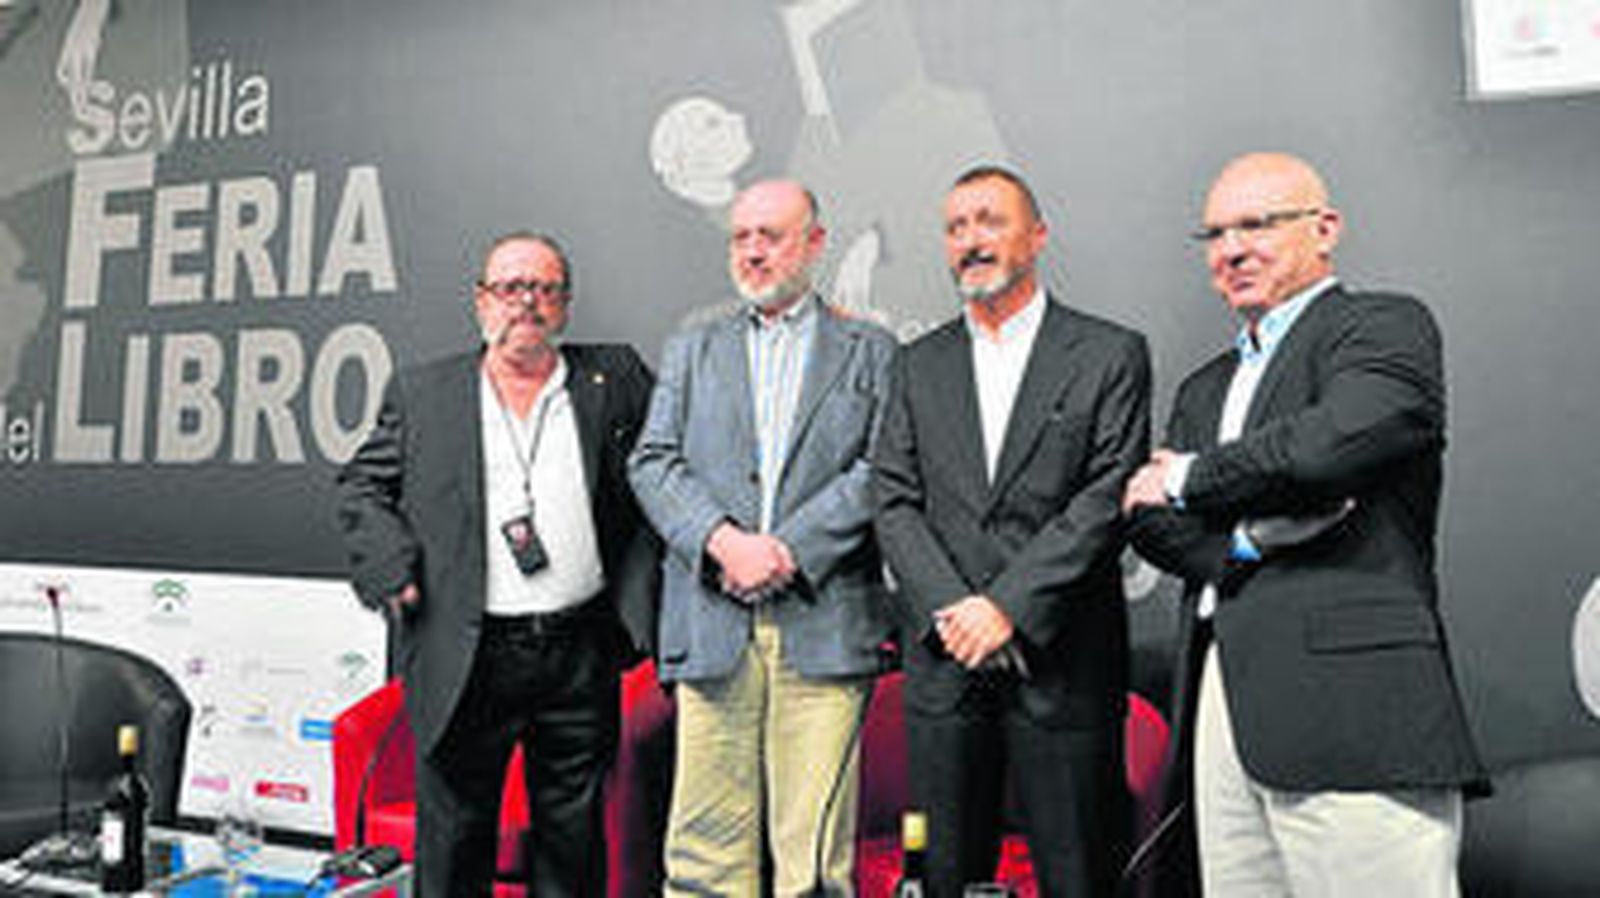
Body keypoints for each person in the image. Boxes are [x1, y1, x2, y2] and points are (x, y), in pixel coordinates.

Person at [1122, 152, 1488, 897]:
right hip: (1224, 697)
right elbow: (1148, 519)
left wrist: (1192, 477)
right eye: (1216, 234)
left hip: (1353, 705)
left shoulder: (1382, 327)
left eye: (1257, 224)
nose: (1232, 249)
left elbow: (1331, 447)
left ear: (1325, 229)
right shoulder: (1203, 386)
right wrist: (1248, 540)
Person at [336, 232, 657, 897]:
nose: (527, 304)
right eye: (511, 288)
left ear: (565, 305)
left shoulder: (615, 378)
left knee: (572, 847)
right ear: (481, 301)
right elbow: (362, 487)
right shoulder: (424, 392)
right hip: (467, 650)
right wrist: (393, 567)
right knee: (453, 846)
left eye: (543, 289)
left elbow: (669, 467)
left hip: (580, 649)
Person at [873, 165, 1150, 897]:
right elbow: (892, 500)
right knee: (944, 879)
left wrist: (1006, 610)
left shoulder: (1109, 353)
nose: (972, 240)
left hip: (1062, 661)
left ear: (1038, 235)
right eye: (957, 227)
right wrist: (955, 610)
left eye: (990, 220)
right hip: (944, 663)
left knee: (1078, 876)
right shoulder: (913, 364)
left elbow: (1105, 496)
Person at [628, 178, 896, 896]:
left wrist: (785, 550)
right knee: (703, 856)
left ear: (814, 242)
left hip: (825, 623)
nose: (752, 251)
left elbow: (883, 469)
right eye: (741, 237)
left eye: (770, 235)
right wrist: (724, 542)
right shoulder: (693, 345)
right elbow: (652, 461)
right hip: (712, 622)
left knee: (813, 862)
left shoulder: (870, 348)